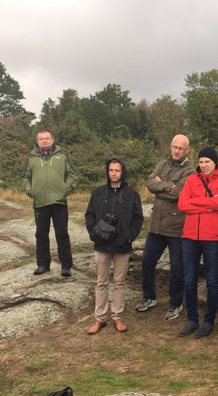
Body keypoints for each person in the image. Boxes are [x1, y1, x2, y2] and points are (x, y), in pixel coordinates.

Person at [136, 134, 195, 320]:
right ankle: (148, 297)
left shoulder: (191, 170)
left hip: (177, 226)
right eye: (174, 147)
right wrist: (166, 186)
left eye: (180, 148)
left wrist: (161, 186)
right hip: (157, 225)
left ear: (187, 150)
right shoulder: (163, 163)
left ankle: (176, 303)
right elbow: (150, 182)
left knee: (177, 269)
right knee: (147, 261)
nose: (176, 151)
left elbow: (181, 193)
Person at [177, 147, 218, 338]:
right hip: (190, 235)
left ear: (215, 162)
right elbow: (182, 204)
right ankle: (192, 320)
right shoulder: (192, 179)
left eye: (207, 162)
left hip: (213, 237)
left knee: (212, 281)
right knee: (190, 279)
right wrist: (208, 203)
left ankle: (209, 321)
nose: (204, 165)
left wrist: (196, 202)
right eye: (201, 162)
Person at [84, 158, 143, 335]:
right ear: (107, 172)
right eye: (111, 170)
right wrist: (94, 233)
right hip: (101, 245)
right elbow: (90, 215)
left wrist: (128, 237)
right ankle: (100, 318)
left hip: (122, 246)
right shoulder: (98, 193)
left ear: (122, 172)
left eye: (117, 170)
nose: (114, 173)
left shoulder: (132, 194)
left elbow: (138, 219)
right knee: (101, 282)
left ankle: (117, 316)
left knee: (119, 282)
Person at [20, 129, 77, 277]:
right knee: (41, 235)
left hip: (59, 201)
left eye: (47, 138)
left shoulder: (63, 155)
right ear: (37, 141)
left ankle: (66, 266)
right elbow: (24, 177)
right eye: (41, 139)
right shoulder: (31, 157)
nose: (44, 141)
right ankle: (43, 265)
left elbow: (73, 175)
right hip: (40, 202)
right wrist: (30, 190)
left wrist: (64, 190)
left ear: (52, 139)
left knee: (62, 234)